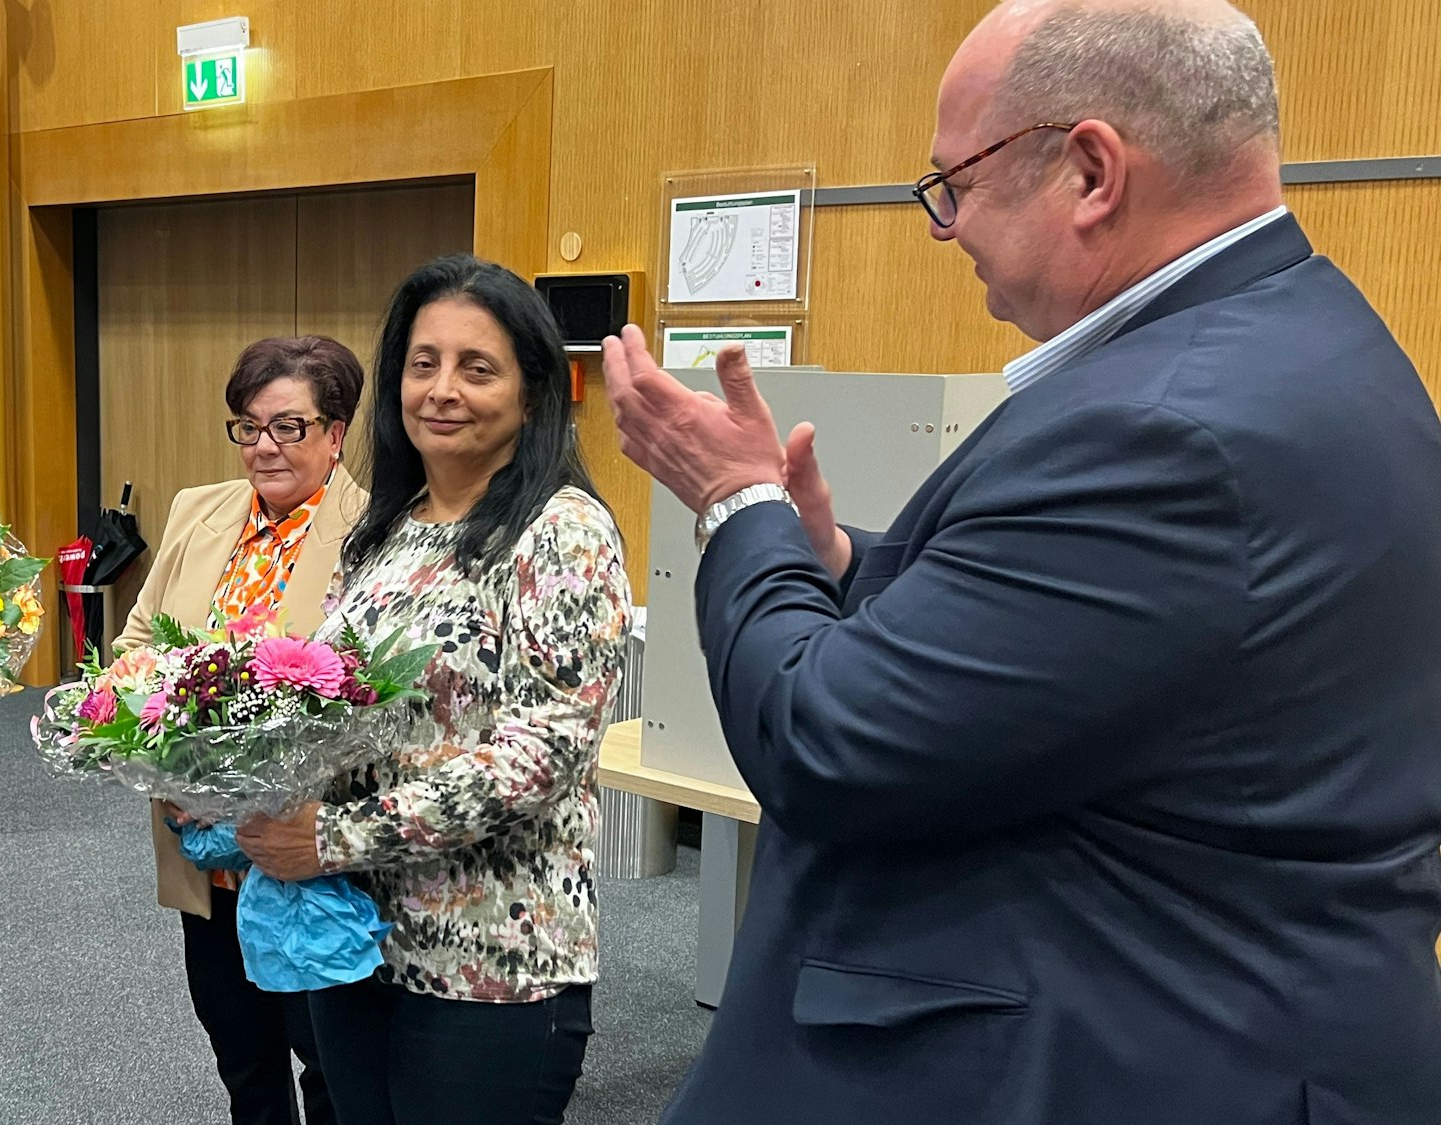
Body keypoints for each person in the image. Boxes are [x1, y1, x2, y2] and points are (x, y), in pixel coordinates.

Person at [602, 1, 1441, 1122]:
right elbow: (1092, 651)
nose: (943, 227)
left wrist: (732, 502)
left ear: (1090, 170)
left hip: (1110, 1052)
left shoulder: (1162, 427)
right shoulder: (1299, 343)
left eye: (954, 183)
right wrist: (839, 562)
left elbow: (822, 744)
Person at [237, 254, 633, 1125]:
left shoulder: (559, 528)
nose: (442, 389)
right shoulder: (386, 529)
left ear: (533, 393)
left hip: (490, 958)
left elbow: (542, 754)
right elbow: (335, 706)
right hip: (360, 941)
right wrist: (234, 775)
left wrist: (334, 836)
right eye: (423, 363)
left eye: (476, 367)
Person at [111, 335, 368, 1125]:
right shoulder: (199, 510)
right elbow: (137, 647)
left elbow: (377, 697)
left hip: (308, 853)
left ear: (336, 431)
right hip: (203, 844)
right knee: (242, 1054)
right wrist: (177, 772)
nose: (264, 446)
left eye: (289, 426)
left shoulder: (381, 532)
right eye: (249, 426)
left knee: (329, 1061)